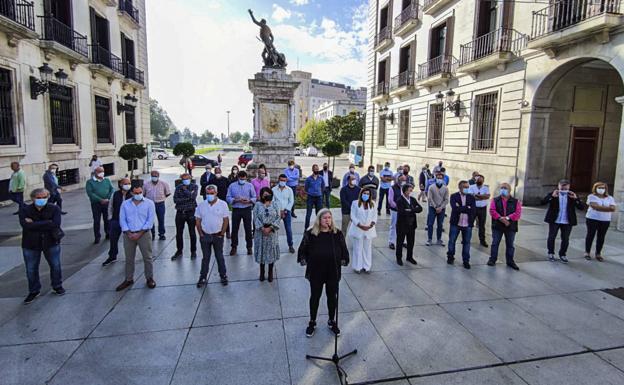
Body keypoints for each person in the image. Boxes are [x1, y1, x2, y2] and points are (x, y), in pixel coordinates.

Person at [297, 209, 349, 338]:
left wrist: (343, 260)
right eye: (325, 218)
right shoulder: (311, 234)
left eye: (329, 218)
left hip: (332, 271)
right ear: (319, 220)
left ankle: (331, 321)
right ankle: (312, 321)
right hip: (316, 272)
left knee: (332, 297)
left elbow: (344, 250)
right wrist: (307, 260)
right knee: (315, 297)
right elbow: (302, 250)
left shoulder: (337, 234)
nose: (327, 220)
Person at [19, 188, 64, 304]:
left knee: (55, 265)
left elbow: (55, 224)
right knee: (31, 269)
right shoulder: (25, 210)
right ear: (33, 198)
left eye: (44, 197)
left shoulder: (54, 208)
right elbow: (26, 226)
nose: (41, 200)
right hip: (30, 244)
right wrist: (47, 223)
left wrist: (34, 223)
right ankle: (34, 291)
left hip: (51, 242)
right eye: (38, 198)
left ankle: (57, 285)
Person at [116, 185, 156, 291]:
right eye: (136, 193)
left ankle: (149, 278)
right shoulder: (125, 204)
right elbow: (122, 220)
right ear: (132, 193)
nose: (139, 194)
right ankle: (128, 279)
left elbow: (150, 220)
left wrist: (140, 233)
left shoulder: (149, 203)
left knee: (147, 257)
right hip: (128, 234)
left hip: (144, 234)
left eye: (140, 192)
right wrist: (128, 233)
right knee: (129, 258)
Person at [542, 179, 586, 263]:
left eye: (566, 188)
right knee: (552, 237)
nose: (564, 190)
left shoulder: (572, 196)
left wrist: (576, 199)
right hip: (555, 220)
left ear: (569, 187)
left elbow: (581, 207)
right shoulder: (553, 194)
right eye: (562, 188)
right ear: (558, 186)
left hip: (567, 221)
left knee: (565, 238)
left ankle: (563, 254)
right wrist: (552, 197)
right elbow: (543, 202)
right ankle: (550, 253)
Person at [195, 185, 229, 287]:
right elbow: (198, 220)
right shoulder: (201, 205)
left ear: (216, 193)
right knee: (206, 257)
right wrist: (201, 234)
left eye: (212, 193)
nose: (210, 195)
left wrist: (222, 234)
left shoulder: (223, 204)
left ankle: (223, 275)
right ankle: (203, 277)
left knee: (219, 256)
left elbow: (226, 220)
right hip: (205, 236)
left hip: (217, 235)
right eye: (208, 193)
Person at [488, 182, 522, 270]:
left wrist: (507, 218)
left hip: (510, 226)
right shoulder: (495, 200)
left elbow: (517, 214)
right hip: (497, 225)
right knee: (495, 243)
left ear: (510, 190)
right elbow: (492, 211)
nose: (503, 189)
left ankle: (510, 261)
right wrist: (501, 219)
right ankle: (492, 259)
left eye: (505, 188)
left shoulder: (516, 201)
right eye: (502, 188)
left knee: (510, 244)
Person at [102, 178, 132, 267]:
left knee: (129, 242)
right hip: (116, 220)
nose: (128, 185)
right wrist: (110, 218)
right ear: (121, 185)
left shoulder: (132, 195)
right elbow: (110, 206)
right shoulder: (115, 194)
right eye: (126, 183)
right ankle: (112, 256)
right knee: (113, 240)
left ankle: (129, 258)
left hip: (128, 222)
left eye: (129, 183)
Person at [253, 187, 281, 282]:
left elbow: (278, 217)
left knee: (271, 252)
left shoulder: (275, 204)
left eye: (268, 194)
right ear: (261, 195)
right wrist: (262, 228)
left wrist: (271, 228)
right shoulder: (257, 205)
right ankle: (262, 272)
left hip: (272, 232)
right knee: (262, 251)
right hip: (260, 232)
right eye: (264, 195)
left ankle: (270, 272)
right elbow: (255, 218)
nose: (266, 196)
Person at [584, 182, 617, 262]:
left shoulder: (610, 198)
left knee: (601, 237)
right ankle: (587, 252)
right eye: (599, 188)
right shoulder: (591, 196)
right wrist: (607, 208)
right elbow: (595, 207)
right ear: (595, 188)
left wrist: (600, 207)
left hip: (605, 220)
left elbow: (613, 208)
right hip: (592, 218)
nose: (601, 189)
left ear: (605, 189)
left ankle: (598, 253)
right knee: (590, 235)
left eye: (603, 188)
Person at [447, 181, 477, 269]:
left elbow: (473, 210)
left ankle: (466, 260)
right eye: (465, 187)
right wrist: (467, 207)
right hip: (456, 223)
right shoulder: (454, 196)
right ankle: (450, 257)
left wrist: (462, 208)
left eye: (468, 187)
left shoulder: (471, 197)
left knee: (467, 243)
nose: (467, 189)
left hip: (467, 223)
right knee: (452, 241)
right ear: (460, 187)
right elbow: (455, 209)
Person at [227, 170, 257, 256]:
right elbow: (228, 197)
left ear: (246, 178)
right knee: (234, 229)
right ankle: (234, 247)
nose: (242, 180)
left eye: (244, 179)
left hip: (246, 208)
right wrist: (235, 200)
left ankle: (249, 247)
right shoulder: (232, 186)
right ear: (238, 178)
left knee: (248, 229)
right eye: (240, 179)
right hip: (236, 209)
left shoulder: (250, 185)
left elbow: (254, 197)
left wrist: (249, 201)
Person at [348, 188, 377, 273]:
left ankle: (367, 267)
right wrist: (360, 225)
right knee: (358, 248)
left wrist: (371, 225)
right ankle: (357, 267)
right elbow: (352, 216)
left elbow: (374, 216)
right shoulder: (355, 203)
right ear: (361, 194)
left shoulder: (373, 204)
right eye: (364, 193)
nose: (366, 195)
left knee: (367, 249)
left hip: (369, 230)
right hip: (358, 229)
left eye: (368, 194)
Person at [172, 173, 198, 260]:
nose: (185, 180)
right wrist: (188, 197)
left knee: (192, 232)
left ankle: (193, 251)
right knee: (179, 233)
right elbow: (175, 200)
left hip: (191, 212)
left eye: (187, 178)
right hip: (180, 212)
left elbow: (193, 197)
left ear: (190, 178)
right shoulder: (178, 187)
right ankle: (179, 251)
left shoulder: (194, 186)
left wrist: (185, 191)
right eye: (183, 179)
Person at [395, 183, 422, 266]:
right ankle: (399, 258)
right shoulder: (400, 200)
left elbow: (420, 208)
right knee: (400, 242)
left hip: (411, 224)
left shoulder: (413, 199)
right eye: (410, 190)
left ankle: (409, 257)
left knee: (411, 242)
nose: (411, 192)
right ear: (405, 191)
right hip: (402, 225)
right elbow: (402, 212)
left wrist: (410, 210)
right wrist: (413, 210)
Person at [86, 167, 114, 244]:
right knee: (97, 220)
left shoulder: (107, 180)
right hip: (96, 204)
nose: (102, 173)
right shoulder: (90, 182)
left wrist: (108, 198)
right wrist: (100, 200)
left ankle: (108, 233)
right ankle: (97, 236)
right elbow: (90, 193)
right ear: (95, 172)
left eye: (103, 171)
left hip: (107, 203)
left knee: (107, 219)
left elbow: (112, 189)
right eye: (100, 171)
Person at [144, 170, 171, 241]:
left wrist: (162, 198)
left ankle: (162, 234)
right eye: (153, 176)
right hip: (149, 204)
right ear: (151, 176)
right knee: (150, 219)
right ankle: (152, 234)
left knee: (161, 219)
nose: (154, 177)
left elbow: (168, 193)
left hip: (160, 204)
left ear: (158, 176)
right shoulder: (146, 184)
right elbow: (143, 194)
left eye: (156, 176)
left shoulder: (164, 184)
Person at [273, 174, 295, 253]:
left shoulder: (289, 190)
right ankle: (273, 245)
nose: (282, 182)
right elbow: (272, 202)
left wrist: (285, 210)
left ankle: (290, 245)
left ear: (286, 181)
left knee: (288, 229)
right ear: (278, 180)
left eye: (284, 180)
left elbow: (291, 201)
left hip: (286, 212)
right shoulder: (273, 190)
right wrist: (279, 211)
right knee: (274, 229)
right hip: (276, 212)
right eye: (281, 180)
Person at [426, 173, 449, 246]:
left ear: (443, 179)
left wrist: (441, 207)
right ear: (435, 178)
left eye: (441, 178)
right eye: (438, 178)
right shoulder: (431, 187)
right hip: (432, 208)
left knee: (440, 224)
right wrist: (435, 207)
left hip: (441, 209)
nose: (439, 179)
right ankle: (429, 239)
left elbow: (446, 199)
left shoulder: (445, 188)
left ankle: (439, 239)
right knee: (430, 224)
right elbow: (430, 198)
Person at [468, 174, 490, 247]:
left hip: (483, 208)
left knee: (482, 225)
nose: (479, 180)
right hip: (473, 208)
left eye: (481, 179)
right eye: (478, 179)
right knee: (470, 224)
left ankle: (482, 240)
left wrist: (477, 195)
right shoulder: (471, 187)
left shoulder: (486, 188)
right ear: (475, 180)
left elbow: (487, 196)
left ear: (483, 180)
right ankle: (467, 239)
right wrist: (482, 197)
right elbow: (471, 197)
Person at [388, 174, 406, 250]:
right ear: (397, 180)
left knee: (403, 226)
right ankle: (391, 242)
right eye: (402, 180)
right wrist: (397, 206)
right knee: (393, 226)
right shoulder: (392, 188)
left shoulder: (405, 188)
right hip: (395, 210)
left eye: (404, 180)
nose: (403, 181)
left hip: (404, 210)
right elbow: (390, 200)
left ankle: (403, 241)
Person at [304, 164, 325, 230]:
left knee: (319, 214)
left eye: (317, 169)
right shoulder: (308, 179)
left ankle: (319, 227)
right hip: (310, 197)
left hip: (319, 197)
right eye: (315, 169)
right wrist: (311, 192)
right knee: (308, 214)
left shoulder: (321, 178)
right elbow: (306, 188)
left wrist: (319, 192)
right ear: (312, 170)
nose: (317, 170)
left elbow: (323, 187)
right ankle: (306, 229)